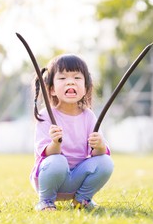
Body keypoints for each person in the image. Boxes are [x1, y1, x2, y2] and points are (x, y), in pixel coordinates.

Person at [29, 54, 114, 211]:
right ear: (52, 89)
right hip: (50, 177)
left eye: (77, 77)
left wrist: (100, 145)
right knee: (58, 161)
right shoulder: (46, 115)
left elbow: (98, 153)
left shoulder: (88, 115)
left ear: (86, 87)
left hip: (77, 179)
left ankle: (82, 199)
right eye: (62, 78)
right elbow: (45, 154)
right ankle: (46, 201)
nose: (70, 81)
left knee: (106, 162)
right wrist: (55, 143)